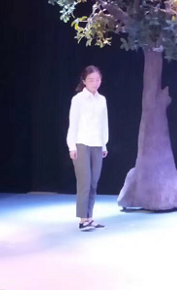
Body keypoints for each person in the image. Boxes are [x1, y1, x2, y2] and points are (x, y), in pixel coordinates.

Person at [67, 65, 109, 231]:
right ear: (84, 81)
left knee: (93, 183)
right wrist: (72, 146)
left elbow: (104, 124)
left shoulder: (102, 100)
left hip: (97, 144)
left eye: (98, 80)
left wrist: (104, 144)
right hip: (81, 144)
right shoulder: (78, 99)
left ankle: (90, 217)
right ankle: (83, 219)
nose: (95, 83)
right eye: (91, 80)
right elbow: (73, 123)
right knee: (84, 182)